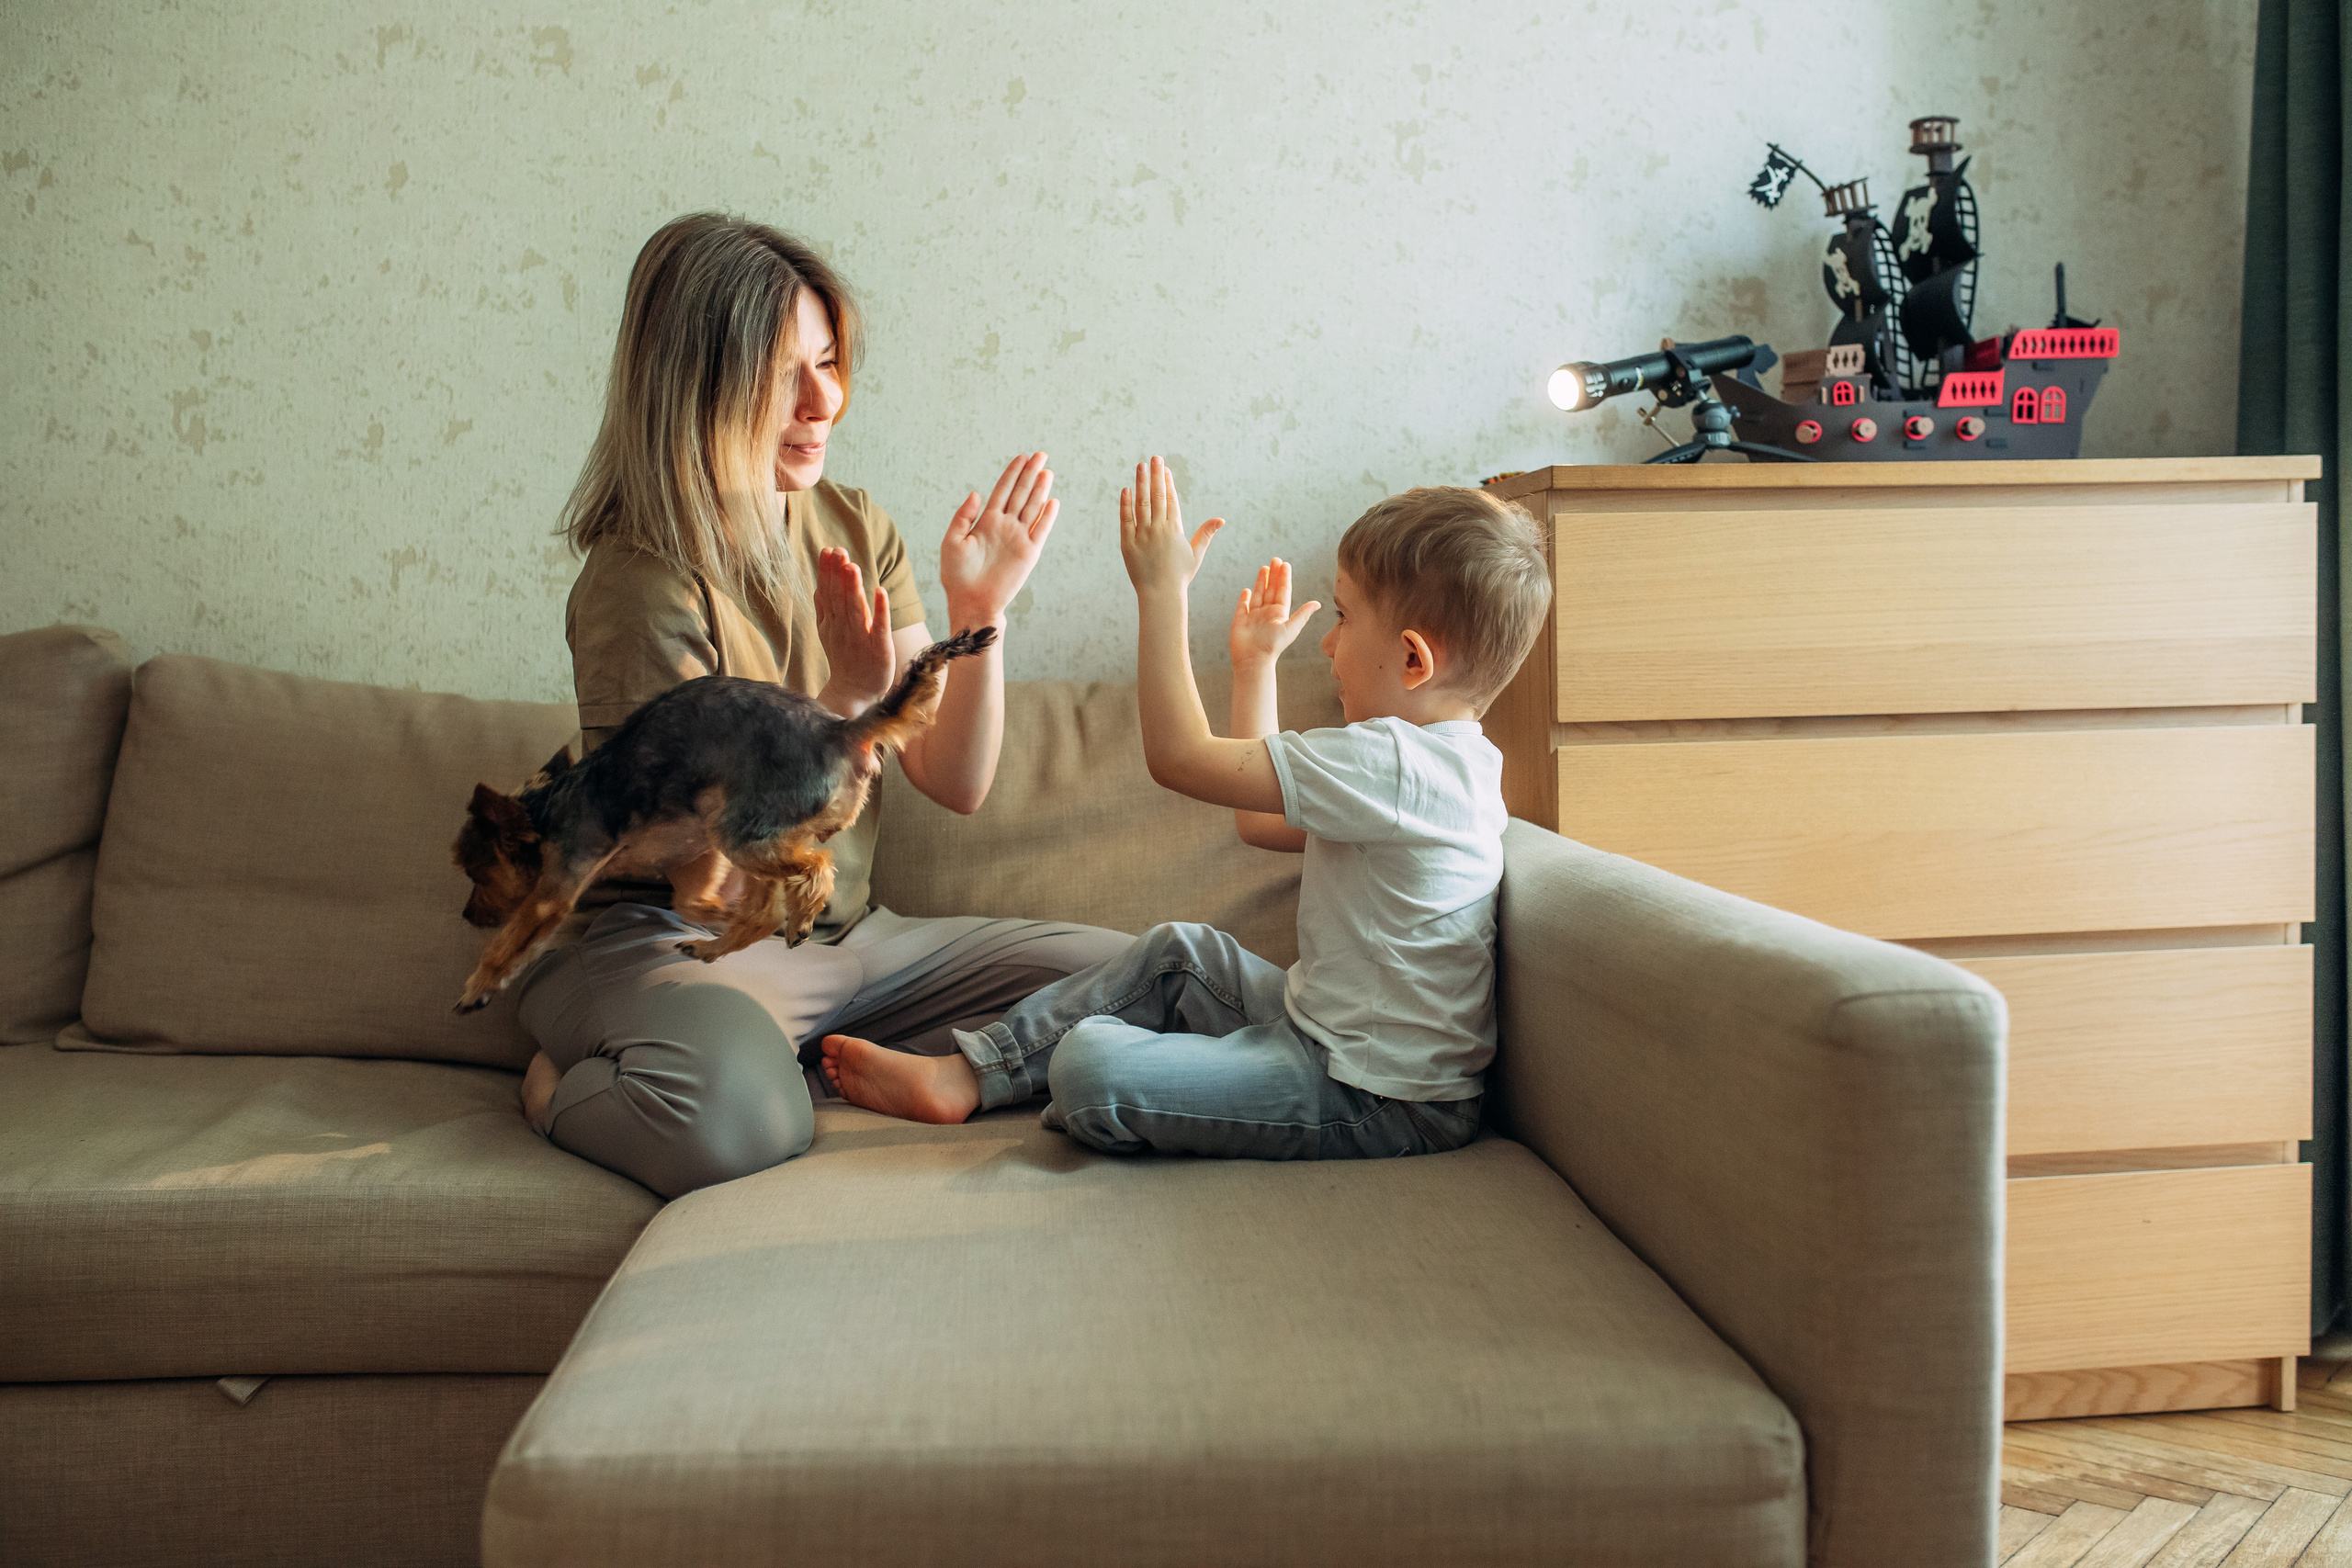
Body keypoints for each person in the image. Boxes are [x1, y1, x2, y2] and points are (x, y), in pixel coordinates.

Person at [513, 213, 1129, 1197]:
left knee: (1161, 984)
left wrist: (980, 616)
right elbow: (700, 882)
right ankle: (562, 1092)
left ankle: (948, 1076)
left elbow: (954, 780)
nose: (823, 401)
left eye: (831, 363)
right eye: (784, 373)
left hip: (846, 939)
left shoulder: (853, 526)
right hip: (676, 946)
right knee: (742, 1124)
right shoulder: (642, 583)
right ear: (698, 384)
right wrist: (841, 700)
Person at [820, 459, 1553, 1159]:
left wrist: (1161, 590)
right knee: (1181, 952)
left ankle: (1041, 1074)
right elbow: (1259, 824)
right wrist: (1253, 666)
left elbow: (1178, 755)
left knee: (1088, 1069)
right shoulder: (1449, 764)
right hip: (1331, 1037)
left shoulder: (1393, 761)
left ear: (1415, 659)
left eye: (1342, 616)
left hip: (1373, 1094)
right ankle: (968, 1075)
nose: (1327, 641)